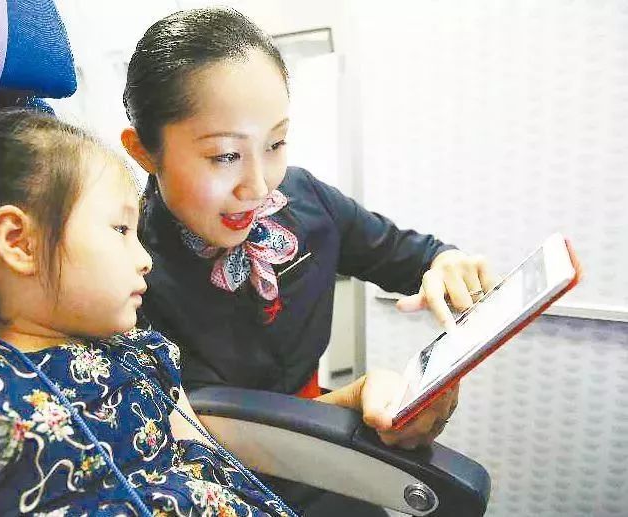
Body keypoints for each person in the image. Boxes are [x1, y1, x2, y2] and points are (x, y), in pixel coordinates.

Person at [121, 8, 497, 513]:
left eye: (275, 143)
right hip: (222, 488)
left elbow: (408, 254)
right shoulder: (126, 268)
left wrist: (447, 264)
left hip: (337, 468)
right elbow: (193, 429)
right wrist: (350, 404)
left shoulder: (304, 199)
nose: (259, 187)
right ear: (145, 151)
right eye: (225, 156)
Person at [0, 109, 297, 516]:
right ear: (20, 242)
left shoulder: (141, 355)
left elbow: (219, 469)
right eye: (120, 229)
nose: (145, 259)